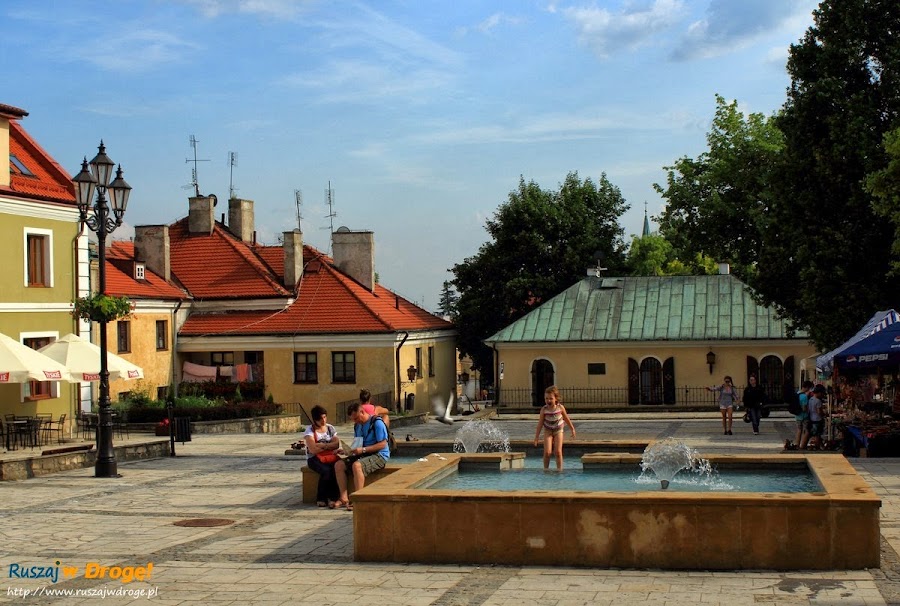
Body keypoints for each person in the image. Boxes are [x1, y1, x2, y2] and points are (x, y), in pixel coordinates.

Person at [333, 402, 390, 510]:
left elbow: (383, 444)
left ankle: (357, 499)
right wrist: (346, 451)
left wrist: (363, 449)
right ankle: (344, 498)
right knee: (339, 465)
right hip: (363, 453)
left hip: (379, 454)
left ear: (362, 412)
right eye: (353, 419)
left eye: (356, 418)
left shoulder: (377, 423)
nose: (355, 421)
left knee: (357, 466)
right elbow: (357, 444)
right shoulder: (357, 426)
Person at [303, 405, 341, 507]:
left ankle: (334, 498)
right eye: (320, 419)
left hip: (329, 456)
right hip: (314, 458)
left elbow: (337, 444)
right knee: (326, 471)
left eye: (324, 417)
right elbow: (313, 449)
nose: (323, 421)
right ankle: (321, 497)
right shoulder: (310, 431)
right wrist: (329, 446)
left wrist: (323, 445)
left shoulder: (330, 428)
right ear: (315, 420)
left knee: (336, 468)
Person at [533, 385, 576, 470]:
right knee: (547, 452)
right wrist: (536, 437)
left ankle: (559, 469)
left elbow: (566, 419)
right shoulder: (544, 410)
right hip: (548, 431)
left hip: (558, 430)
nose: (548, 400)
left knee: (558, 452)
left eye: (550, 398)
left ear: (556, 398)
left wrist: (572, 429)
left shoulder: (560, 407)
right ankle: (546, 469)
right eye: (546, 399)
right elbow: (540, 423)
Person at [791, 381, 813, 450]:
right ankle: (803, 445)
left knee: (799, 429)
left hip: (797, 415)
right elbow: (804, 408)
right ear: (807, 387)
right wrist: (808, 411)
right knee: (806, 430)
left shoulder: (797, 393)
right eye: (809, 388)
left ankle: (797, 443)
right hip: (804, 416)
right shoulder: (804, 396)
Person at [806, 384, 826, 450]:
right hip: (817, 419)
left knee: (815, 433)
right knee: (817, 434)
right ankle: (817, 446)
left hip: (812, 418)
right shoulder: (818, 401)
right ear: (819, 393)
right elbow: (819, 411)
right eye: (822, 393)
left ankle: (820, 445)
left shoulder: (810, 399)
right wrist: (824, 414)